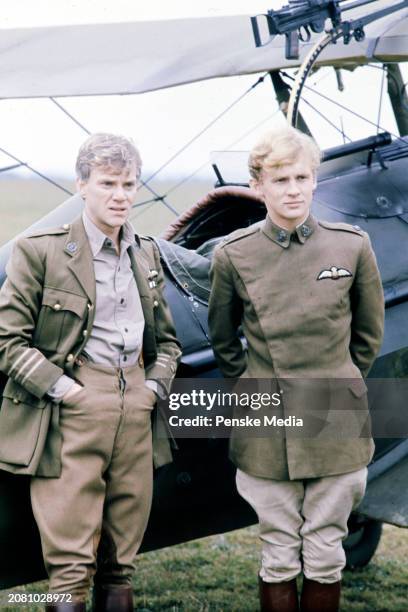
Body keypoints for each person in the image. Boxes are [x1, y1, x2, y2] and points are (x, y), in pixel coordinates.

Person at [0, 133, 181, 612]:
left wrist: (153, 388)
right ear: (82, 185)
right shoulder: (40, 251)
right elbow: (6, 339)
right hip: (75, 407)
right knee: (69, 563)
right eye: (107, 184)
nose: (120, 195)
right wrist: (66, 391)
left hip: (136, 404)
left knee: (123, 558)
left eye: (129, 184)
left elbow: (167, 341)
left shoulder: (146, 253)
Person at [208, 125, 384, 612]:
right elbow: (224, 340)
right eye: (280, 179)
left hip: (337, 422)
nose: (293, 189)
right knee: (279, 554)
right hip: (268, 426)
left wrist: (339, 385)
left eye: (302, 177)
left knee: (327, 553)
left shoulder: (351, 245)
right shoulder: (233, 254)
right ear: (259, 186)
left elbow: (367, 337)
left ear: (313, 180)